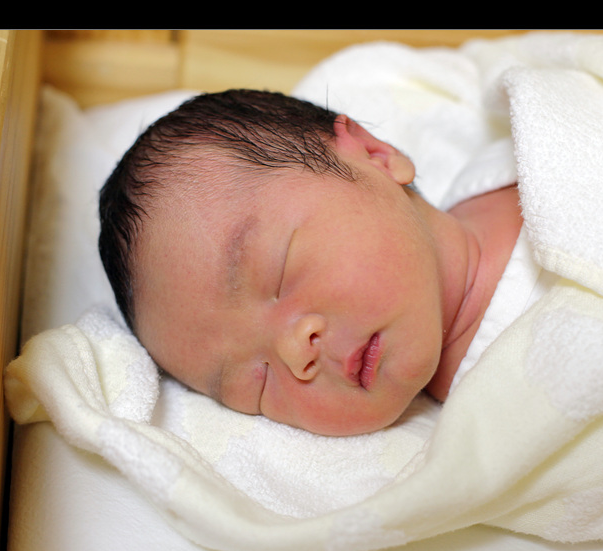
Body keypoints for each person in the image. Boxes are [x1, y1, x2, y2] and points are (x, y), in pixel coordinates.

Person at [99, 89, 527, 436]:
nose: (294, 351)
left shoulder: (530, 150)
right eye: (256, 385)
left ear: (374, 155)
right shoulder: (495, 437)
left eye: (279, 273)